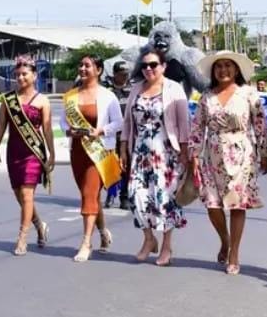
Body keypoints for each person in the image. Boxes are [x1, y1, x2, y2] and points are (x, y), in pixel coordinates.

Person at [189, 50, 267, 275]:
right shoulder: (207, 96)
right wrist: (194, 155)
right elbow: (197, 127)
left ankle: (234, 252)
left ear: (236, 69)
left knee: (237, 204)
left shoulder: (247, 94)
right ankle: (225, 240)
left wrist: (265, 153)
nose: (223, 70)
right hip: (212, 154)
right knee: (212, 204)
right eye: (219, 66)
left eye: (228, 65)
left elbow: (260, 124)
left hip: (241, 154)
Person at [121, 49, 190, 266]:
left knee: (164, 199)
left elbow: (184, 123)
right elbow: (127, 122)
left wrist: (185, 152)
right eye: (144, 66)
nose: (148, 69)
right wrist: (123, 146)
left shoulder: (173, 89)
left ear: (163, 66)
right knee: (136, 196)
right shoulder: (136, 89)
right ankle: (149, 239)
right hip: (140, 153)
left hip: (166, 152)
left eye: (153, 65)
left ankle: (167, 245)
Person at [62, 54, 123, 262]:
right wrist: (69, 131)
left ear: (98, 70)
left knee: (89, 195)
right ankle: (103, 231)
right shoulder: (70, 96)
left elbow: (119, 123)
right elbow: (63, 122)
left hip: (98, 152)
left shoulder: (108, 96)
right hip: (78, 152)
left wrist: (101, 131)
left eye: (87, 65)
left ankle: (86, 242)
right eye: (81, 65)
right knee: (92, 196)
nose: (82, 69)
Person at [0, 56, 55, 255]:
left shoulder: (42, 100)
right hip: (14, 152)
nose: (20, 78)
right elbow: (1, 124)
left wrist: (52, 153)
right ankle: (39, 225)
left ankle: (22, 238)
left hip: (33, 153)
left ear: (34, 75)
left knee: (28, 194)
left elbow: (47, 130)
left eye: (24, 74)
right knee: (20, 196)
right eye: (17, 74)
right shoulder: (9, 100)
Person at [104, 60, 132, 210]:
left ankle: (124, 197)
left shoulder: (132, 88)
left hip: (126, 134)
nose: (125, 77)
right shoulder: (106, 90)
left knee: (125, 165)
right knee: (110, 166)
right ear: (114, 74)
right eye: (122, 74)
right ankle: (110, 194)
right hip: (110, 133)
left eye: (126, 74)